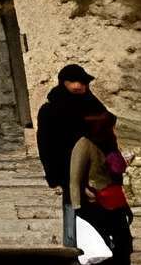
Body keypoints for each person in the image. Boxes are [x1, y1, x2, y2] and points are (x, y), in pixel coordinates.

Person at [69, 107, 137, 265]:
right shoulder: (84, 145)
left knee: (123, 249)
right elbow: (75, 179)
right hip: (95, 207)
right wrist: (78, 208)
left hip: (115, 204)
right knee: (105, 256)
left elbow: (116, 172)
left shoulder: (109, 145)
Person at [35, 65, 101, 244]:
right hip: (67, 169)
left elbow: (106, 136)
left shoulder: (93, 106)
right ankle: (75, 250)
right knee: (74, 208)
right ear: (63, 83)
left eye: (82, 82)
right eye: (72, 81)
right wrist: (54, 174)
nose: (78, 86)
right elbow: (45, 145)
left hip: (96, 172)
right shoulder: (50, 110)